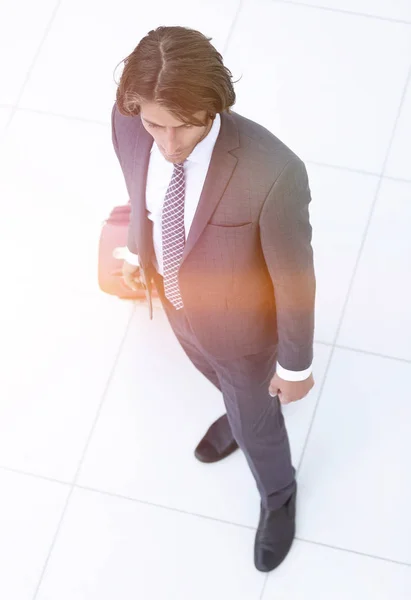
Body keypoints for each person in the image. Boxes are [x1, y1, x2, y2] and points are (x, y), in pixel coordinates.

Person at [111, 25, 315, 572]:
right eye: (156, 125)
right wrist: (137, 255)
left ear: (213, 105)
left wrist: (295, 366)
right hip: (178, 304)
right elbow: (141, 195)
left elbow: (296, 279)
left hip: (246, 334)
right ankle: (239, 406)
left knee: (256, 422)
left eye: (185, 127)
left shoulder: (274, 172)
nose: (169, 144)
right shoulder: (131, 124)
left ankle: (279, 494)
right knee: (217, 377)